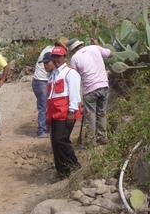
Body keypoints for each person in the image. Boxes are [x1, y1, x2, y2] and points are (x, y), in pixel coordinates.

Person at [68, 38, 112, 145]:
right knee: (102, 112)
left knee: (90, 115)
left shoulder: (74, 58)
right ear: (81, 45)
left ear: (72, 50)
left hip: (89, 89)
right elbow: (110, 54)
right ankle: (102, 137)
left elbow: (74, 76)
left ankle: (91, 140)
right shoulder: (94, 48)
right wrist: (99, 45)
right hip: (103, 85)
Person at [47, 46, 82, 179]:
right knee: (55, 142)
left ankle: (75, 166)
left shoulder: (70, 73)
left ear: (64, 57)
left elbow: (74, 93)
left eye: (59, 57)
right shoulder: (53, 74)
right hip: (54, 113)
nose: (56, 59)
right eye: (54, 57)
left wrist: (72, 111)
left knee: (61, 140)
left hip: (65, 112)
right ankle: (62, 171)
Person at [32, 37, 68, 138]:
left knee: (47, 105)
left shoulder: (48, 48)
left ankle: (46, 127)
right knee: (43, 106)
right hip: (41, 80)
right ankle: (41, 130)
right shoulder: (52, 52)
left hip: (41, 80)